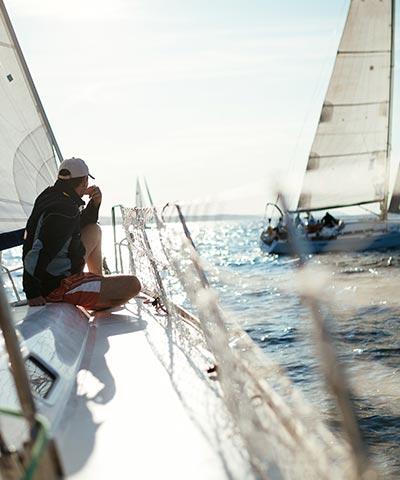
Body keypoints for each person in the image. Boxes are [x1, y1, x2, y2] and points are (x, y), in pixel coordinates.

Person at [23, 157, 141, 309]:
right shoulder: (63, 210)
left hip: (57, 271)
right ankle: (99, 298)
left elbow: (79, 224)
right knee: (133, 284)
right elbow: (39, 251)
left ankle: (97, 282)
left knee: (94, 230)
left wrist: (94, 204)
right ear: (85, 180)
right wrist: (33, 293)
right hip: (58, 285)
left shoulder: (51, 196)